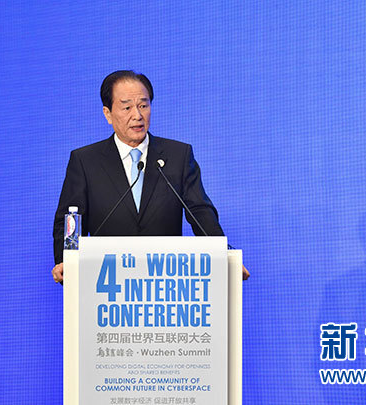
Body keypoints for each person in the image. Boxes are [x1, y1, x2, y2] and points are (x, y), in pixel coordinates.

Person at [52, 70, 249, 283]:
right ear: (107, 114)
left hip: (163, 280)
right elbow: (68, 220)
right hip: (107, 281)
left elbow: (201, 212)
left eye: (143, 105)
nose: (137, 115)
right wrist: (65, 260)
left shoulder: (177, 156)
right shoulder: (85, 161)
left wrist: (223, 255)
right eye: (127, 107)